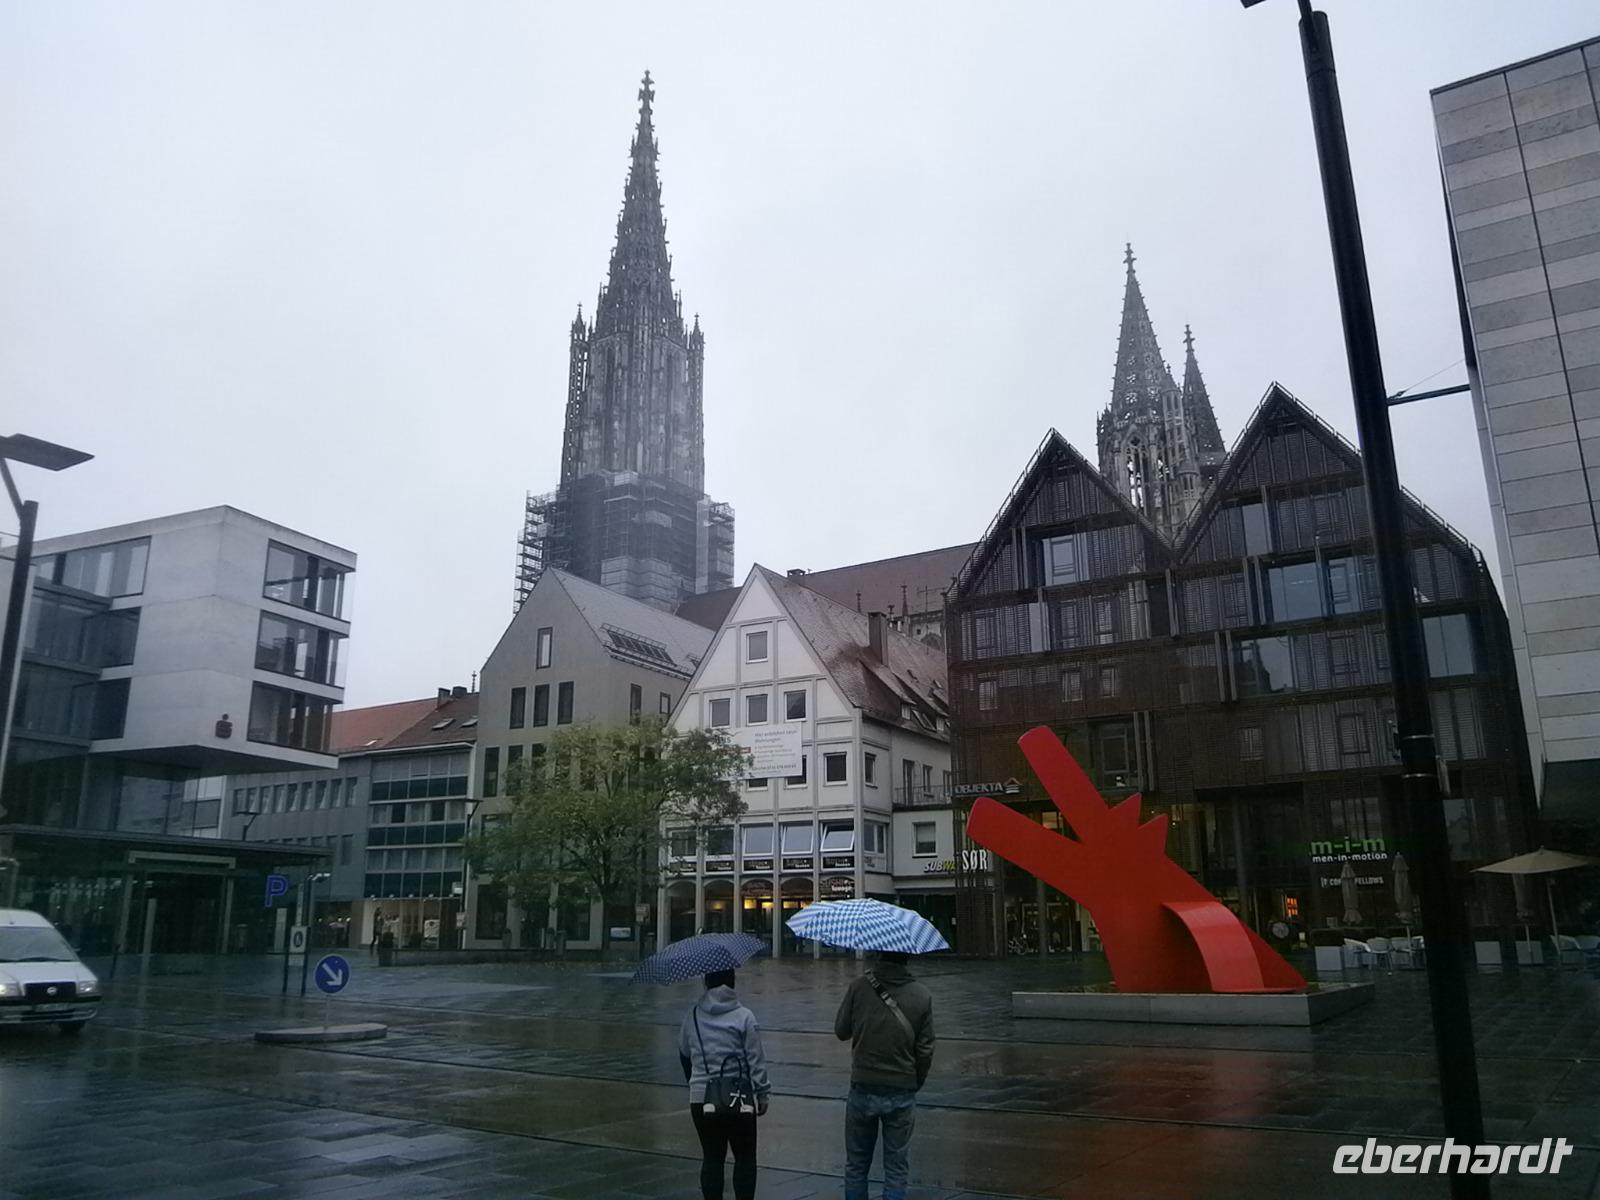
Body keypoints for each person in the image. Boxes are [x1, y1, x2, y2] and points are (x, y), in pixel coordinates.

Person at [834, 951, 936, 1200]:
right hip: (901, 1088)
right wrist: (915, 1080)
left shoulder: (859, 987)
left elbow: (841, 1031)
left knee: (856, 1165)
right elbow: (925, 1049)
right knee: (896, 1169)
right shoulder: (922, 995)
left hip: (863, 1084)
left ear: (879, 954)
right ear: (908, 958)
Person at [677, 969, 770, 1200]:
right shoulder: (745, 1016)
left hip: (702, 1098)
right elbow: (755, 1058)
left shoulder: (693, 1015)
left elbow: (684, 1053)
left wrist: (696, 1083)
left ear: (706, 981)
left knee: (712, 1157)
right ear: (732, 981)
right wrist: (762, 1093)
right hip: (739, 1098)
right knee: (745, 1157)